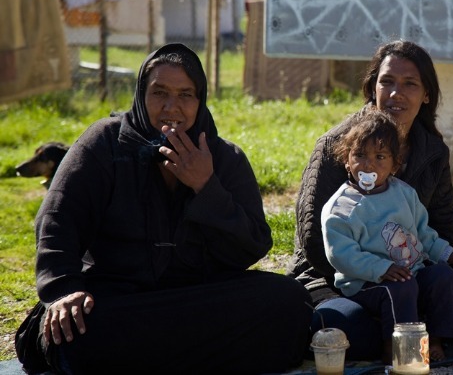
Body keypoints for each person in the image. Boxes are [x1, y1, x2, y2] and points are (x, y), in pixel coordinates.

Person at [14, 43, 312, 375]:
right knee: (77, 334)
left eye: (186, 95)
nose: (172, 107)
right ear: (142, 95)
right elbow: (57, 221)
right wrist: (64, 290)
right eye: (160, 93)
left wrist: (206, 186)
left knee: (289, 300)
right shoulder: (105, 144)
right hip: (118, 301)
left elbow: (252, 246)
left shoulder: (224, 158)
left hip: (195, 298)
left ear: (201, 101)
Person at [288, 40, 453, 360]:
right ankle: (431, 327)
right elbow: (315, 243)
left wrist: (447, 257)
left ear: (426, 96)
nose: (397, 93)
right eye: (387, 82)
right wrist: (376, 275)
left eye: (410, 84)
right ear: (372, 88)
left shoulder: (433, 152)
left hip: (409, 275)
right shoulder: (337, 145)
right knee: (349, 329)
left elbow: (440, 226)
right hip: (341, 279)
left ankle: (422, 326)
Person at [322, 110, 453, 363]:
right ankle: (396, 348)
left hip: (411, 272)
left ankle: (437, 340)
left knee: (443, 276)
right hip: (366, 283)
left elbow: (423, 233)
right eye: (359, 156)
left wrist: (448, 253)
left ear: (394, 165)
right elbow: (341, 256)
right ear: (347, 160)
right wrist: (383, 268)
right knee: (399, 287)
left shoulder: (404, 194)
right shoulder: (341, 208)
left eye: (380, 157)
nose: (368, 165)